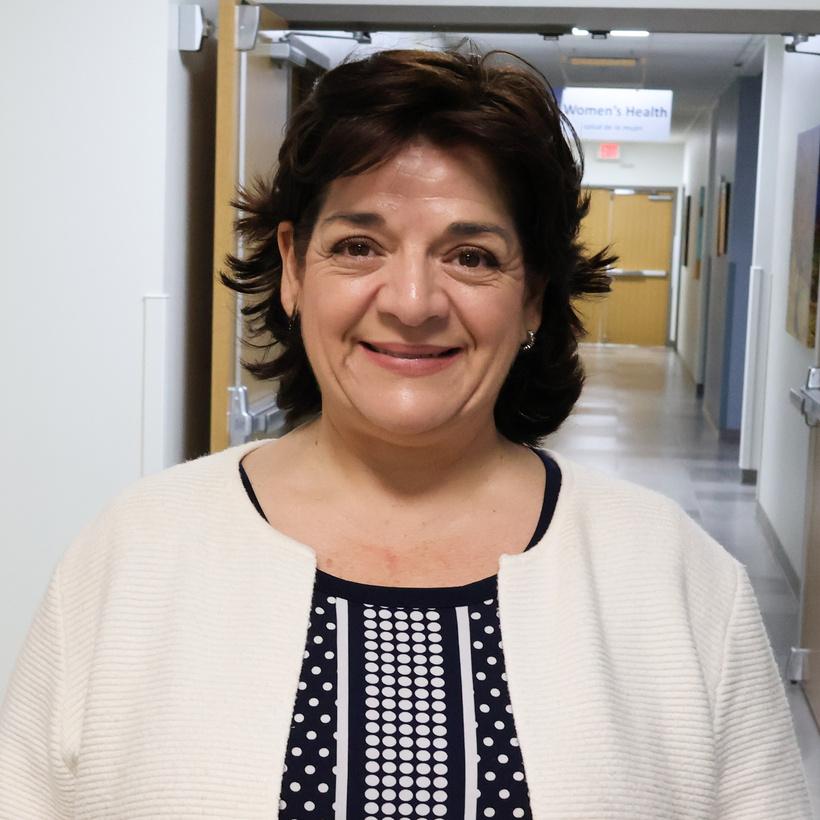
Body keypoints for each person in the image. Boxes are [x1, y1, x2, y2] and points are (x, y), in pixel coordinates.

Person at [0, 46, 812, 820]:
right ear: (293, 268)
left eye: (472, 256)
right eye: (359, 246)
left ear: (533, 294)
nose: (413, 302)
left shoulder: (678, 580)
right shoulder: (133, 553)